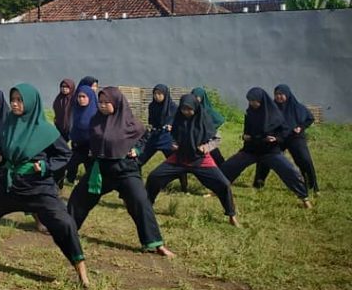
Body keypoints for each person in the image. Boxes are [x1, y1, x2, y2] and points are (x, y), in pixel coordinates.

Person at [0, 84, 89, 287]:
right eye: (13, 99)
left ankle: (81, 269)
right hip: (11, 185)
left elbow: (64, 155)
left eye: (20, 100)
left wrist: (46, 166)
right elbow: (6, 154)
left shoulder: (47, 131)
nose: (15, 103)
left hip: (39, 188)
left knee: (64, 224)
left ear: (31, 103)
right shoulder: (9, 125)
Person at [67, 87, 175, 257]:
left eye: (106, 102)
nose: (102, 106)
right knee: (79, 197)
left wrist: (137, 151)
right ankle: (66, 231)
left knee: (141, 202)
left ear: (117, 103)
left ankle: (154, 243)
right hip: (101, 169)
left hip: (125, 170)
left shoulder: (132, 124)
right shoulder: (96, 120)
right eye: (100, 102)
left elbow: (144, 138)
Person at [144, 93, 238, 225]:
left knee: (223, 184)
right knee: (154, 176)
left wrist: (206, 147)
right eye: (183, 109)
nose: (186, 112)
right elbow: (174, 135)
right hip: (180, 158)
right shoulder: (179, 118)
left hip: (200, 159)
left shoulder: (203, 119)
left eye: (189, 109)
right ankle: (147, 206)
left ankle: (231, 215)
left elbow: (216, 138)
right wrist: (175, 143)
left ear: (195, 108)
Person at [220, 88, 311, 208]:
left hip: (270, 151)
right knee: (230, 166)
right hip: (251, 149)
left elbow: (285, 131)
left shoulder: (275, 114)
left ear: (261, 100)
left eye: (254, 101)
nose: (252, 103)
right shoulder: (250, 112)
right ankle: (218, 189)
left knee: (289, 171)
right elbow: (247, 131)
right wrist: (245, 136)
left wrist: (276, 139)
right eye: (250, 101)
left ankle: (304, 197)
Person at [253, 84, 319, 194]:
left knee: (304, 159)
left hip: (295, 137)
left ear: (287, 94)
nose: (278, 97)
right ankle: (259, 182)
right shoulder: (271, 108)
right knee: (265, 156)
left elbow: (309, 118)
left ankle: (312, 185)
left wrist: (300, 127)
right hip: (278, 138)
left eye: (281, 94)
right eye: (276, 94)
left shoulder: (297, 107)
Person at [62, 84, 98, 186]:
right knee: (72, 163)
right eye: (79, 97)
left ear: (89, 97)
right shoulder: (76, 110)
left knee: (90, 166)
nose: (81, 99)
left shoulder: (96, 113)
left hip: (91, 145)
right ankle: (70, 179)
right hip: (77, 143)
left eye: (84, 97)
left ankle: (90, 183)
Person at [191, 87, 227, 168]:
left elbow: (218, 120)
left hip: (209, 138)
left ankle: (223, 170)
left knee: (215, 155)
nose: (196, 99)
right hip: (196, 139)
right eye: (194, 97)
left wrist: (210, 130)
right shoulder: (191, 109)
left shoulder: (207, 110)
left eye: (198, 97)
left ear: (202, 98)